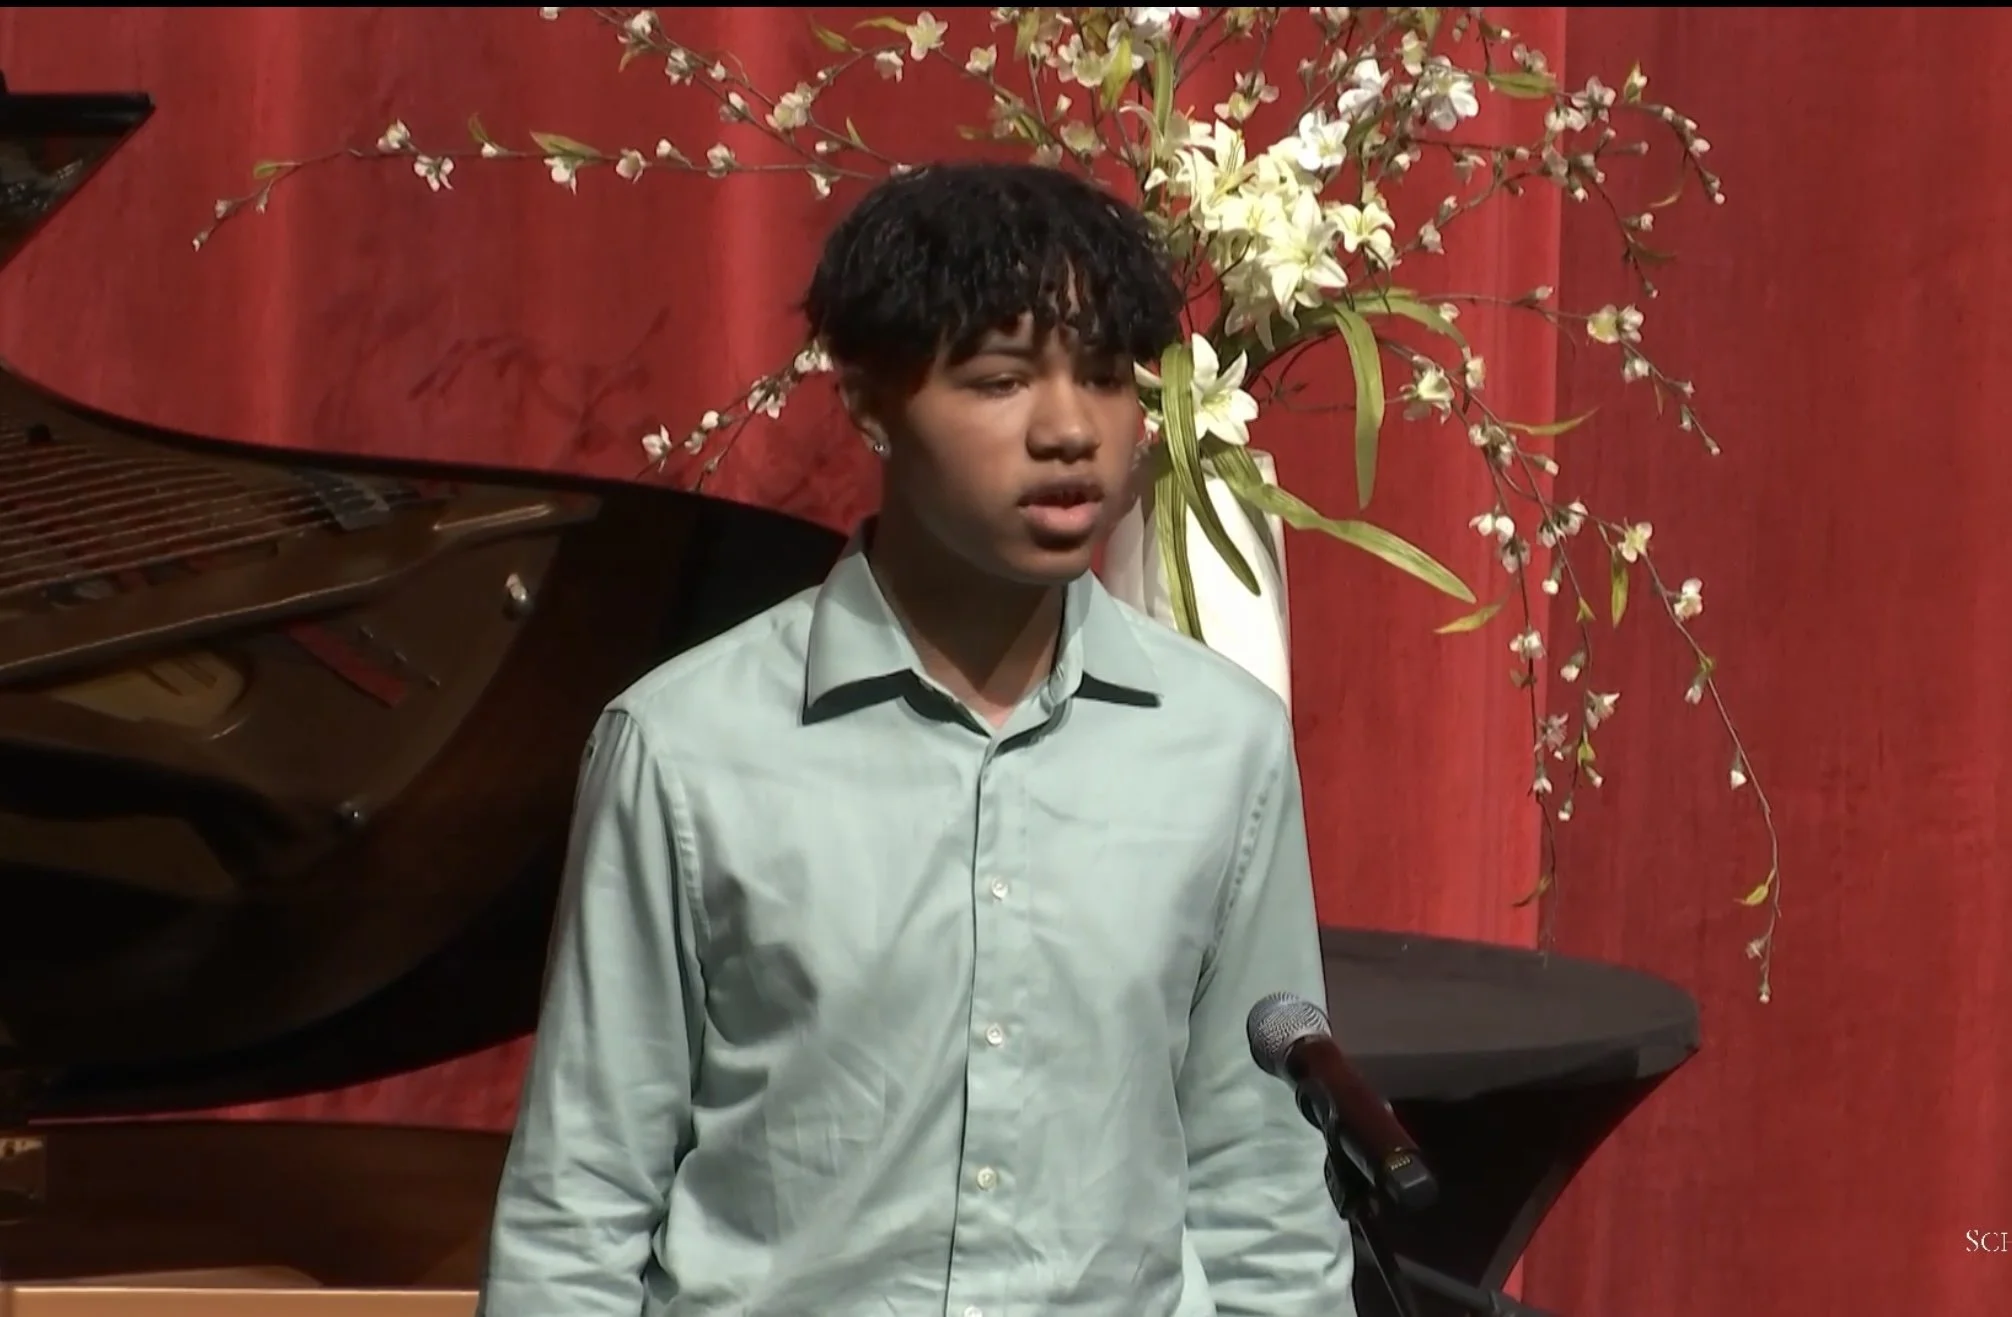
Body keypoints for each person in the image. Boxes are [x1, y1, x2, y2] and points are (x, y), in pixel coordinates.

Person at [476, 160, 1355, 1317]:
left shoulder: (1220, 745)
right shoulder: (684, 749)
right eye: (999, 381)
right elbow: (579, 1203)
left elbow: (1265, 1198)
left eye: (1103, 379)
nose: (1067, 432)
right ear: (864, 398)